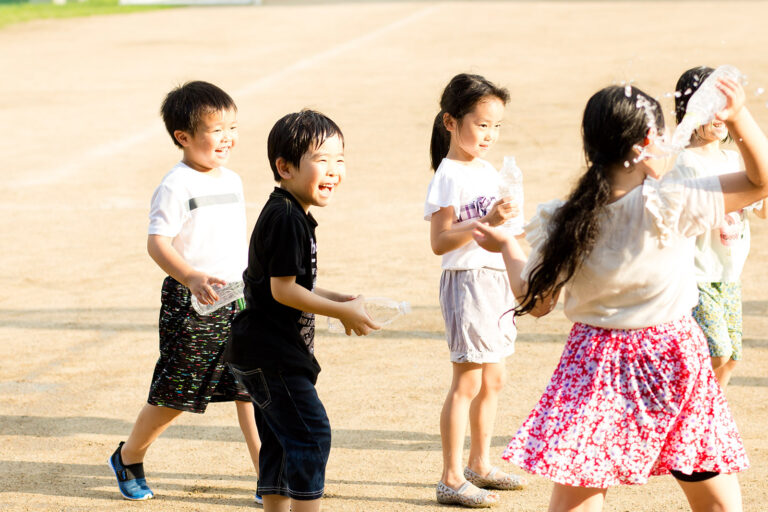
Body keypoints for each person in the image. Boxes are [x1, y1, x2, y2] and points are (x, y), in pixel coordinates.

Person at [472, 78, 768, 511]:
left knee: (579, 498)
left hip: (595, 364)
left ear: (591, 146)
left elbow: (536, 303)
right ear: (648, 143)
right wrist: (739, 116)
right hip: (673, 357)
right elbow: (761, 182)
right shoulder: (672, 202)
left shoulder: (563, 219)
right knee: (717, 503)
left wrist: (507, 246)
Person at [107, 81, 261, 503]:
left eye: (233, 126)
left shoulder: (233, 179)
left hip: (237, 297)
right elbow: (157, 242)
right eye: (216, 129)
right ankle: (129, 455)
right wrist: (190, 276)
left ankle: (268, 477)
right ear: (184, 137)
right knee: (176, 393)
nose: (228, 137)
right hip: (193, 303)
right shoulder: (176, 185)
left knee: (251, 389)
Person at [223, 109, 379, 512]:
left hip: (258, 352)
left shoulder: (289, 212)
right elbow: (283, 291)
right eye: (321, 160)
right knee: (311, 435)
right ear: (285, 167)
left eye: (339, 159)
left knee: (279, 440)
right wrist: (338, 313)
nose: (333, 170)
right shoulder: (288, 218)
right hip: (272, 356)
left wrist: (338, 299)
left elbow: (289, 283)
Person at [424, 73, 527, 508]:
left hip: (495, 280)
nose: (489, 134)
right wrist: (487, 221)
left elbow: (504, 230)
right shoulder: (448, 174)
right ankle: (449, 477)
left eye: (496, 126)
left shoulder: (486, 169)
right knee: (466, 382)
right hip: (466, 281)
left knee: (495, 378)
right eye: (481, 124)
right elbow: (440, 241)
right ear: (451, 121)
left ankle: (480, 464)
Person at [666, 66, 766, 389]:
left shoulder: (734, 162)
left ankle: (710, 415)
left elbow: (762, 210)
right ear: (689, 111)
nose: (720, 116)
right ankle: (693, 411)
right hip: (698, 276)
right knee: (716, 351)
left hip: (727, 276)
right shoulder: (684, 164)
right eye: (711, 107)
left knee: (733, 356)